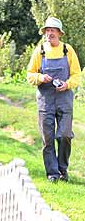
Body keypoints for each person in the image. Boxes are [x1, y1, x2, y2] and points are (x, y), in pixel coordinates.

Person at [27, 16, 81, 183]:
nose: (49, 33)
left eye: (52, 30)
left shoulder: (67, 50)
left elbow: (77, 75)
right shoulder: (40, 50)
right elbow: (30, 74)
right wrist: (40, 77)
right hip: (45, 101)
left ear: (59, 33)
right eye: (47, 30)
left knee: (65, 135)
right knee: (47, 139)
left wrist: (67, 84)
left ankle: (62, 169)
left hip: (64, 99)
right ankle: (52, 173)